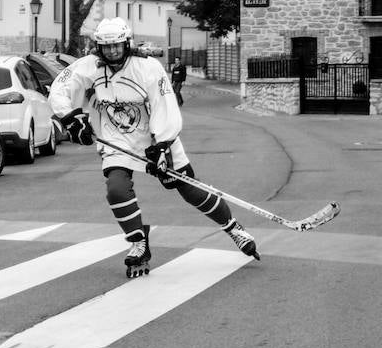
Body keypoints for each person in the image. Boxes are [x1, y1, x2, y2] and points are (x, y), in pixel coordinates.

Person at [50, 18, 258, 277]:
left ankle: (233, 227)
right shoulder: (88, 66)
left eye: (117, 45)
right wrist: (71, 118)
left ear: (127, 43)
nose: (112, 51)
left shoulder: (148, 68)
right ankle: (139, 242)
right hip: (117, 139)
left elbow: (164, 106)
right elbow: (59, 88)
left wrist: (161, 145)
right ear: (98, 47)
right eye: (106, 47)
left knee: (188, 188)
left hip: (155, 137)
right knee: (116, 189)